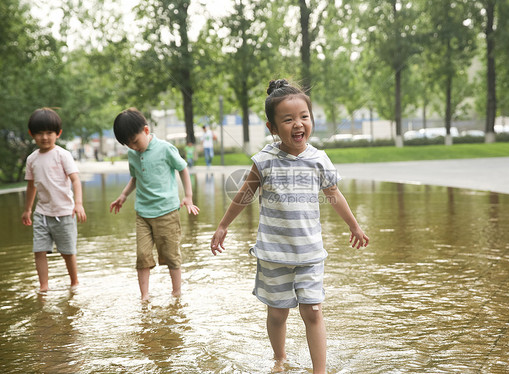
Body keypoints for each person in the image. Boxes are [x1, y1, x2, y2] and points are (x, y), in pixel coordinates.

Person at [210, 79, 369, 373]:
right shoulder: (265, 161)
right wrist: (222, 226)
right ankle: (279, 359)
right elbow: (245, 194)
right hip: (274, 254)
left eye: (304, 117)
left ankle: (319, 371)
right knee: (278, 313)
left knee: (313, 310)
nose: (298, 124)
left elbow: (334, 196)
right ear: (272, 128)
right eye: (288, 119)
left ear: (311, 120)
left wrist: (354, 226)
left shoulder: (319, 160)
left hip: (309, 253)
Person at [109, 108, 200, 301]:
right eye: (128, 145)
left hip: (167, 211)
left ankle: (176, 294)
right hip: (143, 212)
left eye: (135, 141)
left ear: (146, 130)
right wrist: (123, 196)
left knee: (171, 255)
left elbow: (183, 168)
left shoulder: (165, 148)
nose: (134, 147)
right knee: (142, 255)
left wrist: (188, 197)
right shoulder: (133, 154)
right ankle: (144, 296)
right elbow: (135, 178)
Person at [21, 108, 87, 293]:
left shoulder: (62, 155)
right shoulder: (32, 159)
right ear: (31, 134)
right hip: (42, 213)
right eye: (39, 133)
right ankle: (44, 287)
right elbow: (31, 185)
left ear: (58, 133)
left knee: (67, 252)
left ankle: (74, 282)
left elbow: (75, 179)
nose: (44, 137)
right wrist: (27, 209)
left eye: (49, 132)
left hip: (65, 212)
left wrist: (79, 204)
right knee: (39, 251)